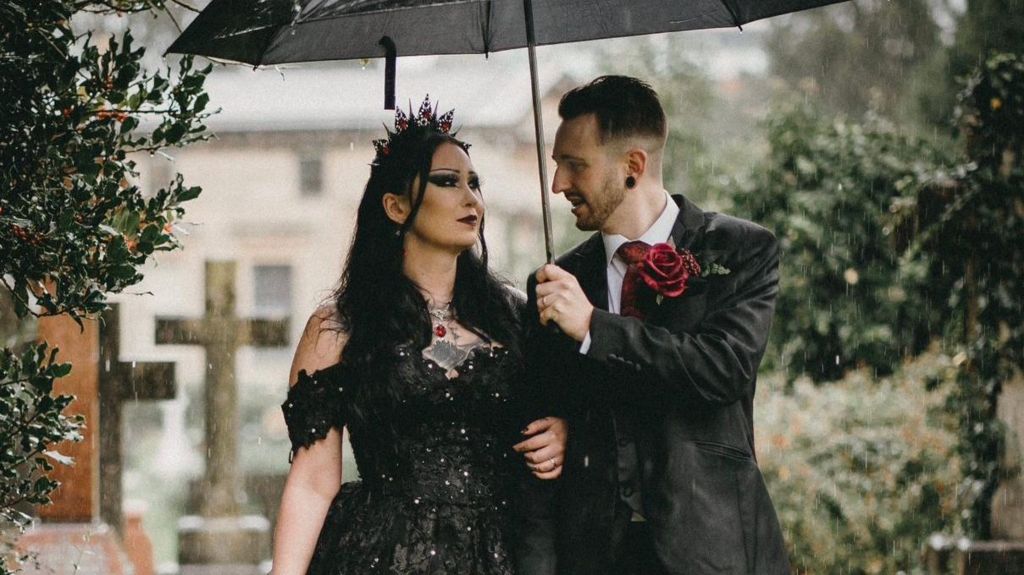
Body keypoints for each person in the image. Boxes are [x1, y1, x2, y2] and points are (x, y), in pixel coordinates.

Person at [272, 96, 567, 575]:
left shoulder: (516, 316)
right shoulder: (339, 327)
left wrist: (562, 431)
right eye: (447, 182)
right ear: (395, 205)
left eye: (475, 183)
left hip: (503, 552)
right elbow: (312, 479)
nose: (471, 198)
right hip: (383, 555)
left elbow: (557, 411)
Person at [516, 76, 790, 574]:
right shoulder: (556, 284)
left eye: (574, 165)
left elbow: (721, 369)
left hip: (712, 553)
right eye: (556, 166)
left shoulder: (741, 250)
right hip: (595, 556)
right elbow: (540, 445)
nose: (558, 185)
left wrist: (596, 329)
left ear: (633, 167)